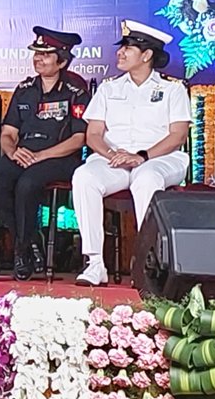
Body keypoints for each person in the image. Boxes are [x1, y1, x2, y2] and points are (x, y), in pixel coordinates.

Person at [71, 21, 192, 286]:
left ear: (147, 55)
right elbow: (93, 134)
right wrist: (112, 153)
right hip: (115, 159)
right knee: (84, 177)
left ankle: (149, 262)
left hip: (160, 159)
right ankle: (95, 263)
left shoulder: (172, 89)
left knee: (145, 178)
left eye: (128, 48)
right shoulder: (108, 88)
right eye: (122, 47)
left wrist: (142, 156)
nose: (120, 53)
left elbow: (177, 136)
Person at [0, 27, 91, 280]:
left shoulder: (75, 90)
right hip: (23, 153)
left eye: (46, 54)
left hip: (60, 157)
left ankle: (22, 252)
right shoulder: (25, 88)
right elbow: (8, 133)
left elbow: (79, 138)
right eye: (36, 54)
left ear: (62, 60)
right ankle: (31, 239)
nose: (38, 59)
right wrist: (13, 152)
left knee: (28, 183)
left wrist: (42, 156)